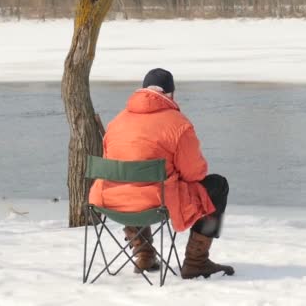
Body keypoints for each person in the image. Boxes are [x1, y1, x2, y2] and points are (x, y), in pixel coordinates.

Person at [89, 68, 234, 279]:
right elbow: (195, 173)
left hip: (111, 203)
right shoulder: (178, 124)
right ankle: (196, 261)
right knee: (218, 185)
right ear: (171, 94)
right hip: (158, 204)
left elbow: (114, 165)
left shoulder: (117, 122)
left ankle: (144, 254)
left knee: (131, 184)